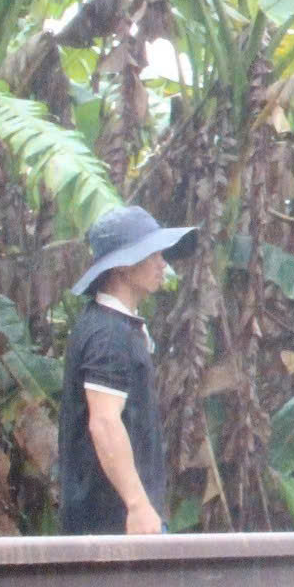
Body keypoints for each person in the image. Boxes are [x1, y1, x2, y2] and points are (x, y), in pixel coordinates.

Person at [57, 205, 196, 536]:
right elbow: (104, 422)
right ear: (122, 266)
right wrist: (137, 505)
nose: (162, 263)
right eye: (152, 254)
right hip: (111, 523)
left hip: (121, 521)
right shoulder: (108, 334)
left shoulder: (117, 327)